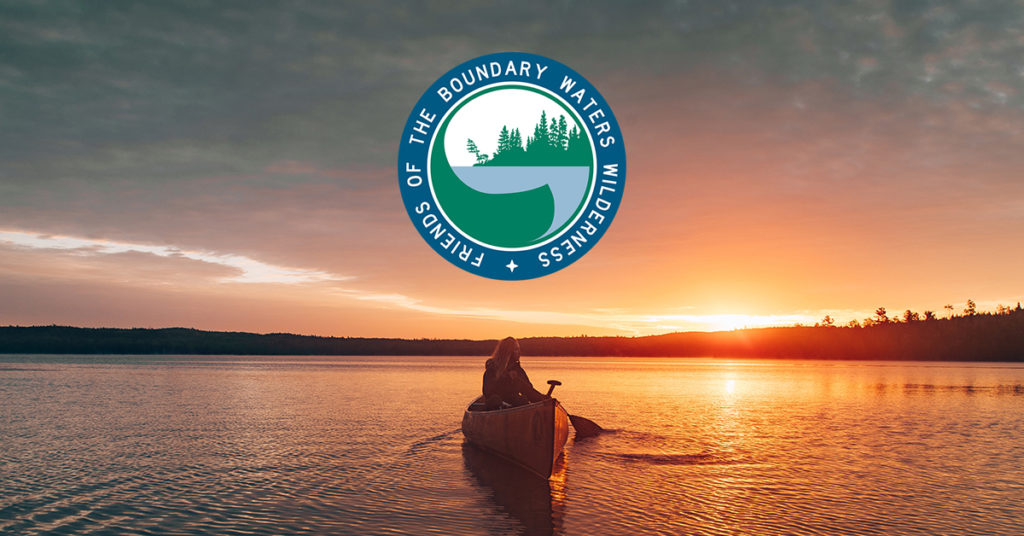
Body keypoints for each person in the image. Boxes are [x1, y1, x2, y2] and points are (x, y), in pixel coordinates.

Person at [482, 337, 548, 410]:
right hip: (496, 408)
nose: (519, 352)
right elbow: (488, 393)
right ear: (508, 352)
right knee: (495, 400)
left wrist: (543, 399)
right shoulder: (492, 370)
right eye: (516, 349)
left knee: (522, 401)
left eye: (518, 349)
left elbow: (529, 391)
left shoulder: (518, 371)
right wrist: (508, 379)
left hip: (515, 407)